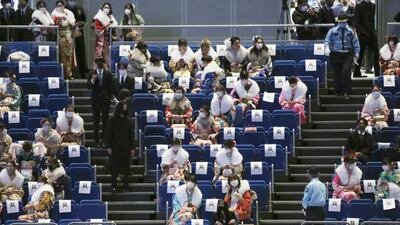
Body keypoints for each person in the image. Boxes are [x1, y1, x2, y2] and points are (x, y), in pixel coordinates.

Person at [324, 14, 360, 100]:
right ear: (338, 22)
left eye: (343, 22)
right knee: (337, 73)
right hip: (335, 54)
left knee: (346, 71)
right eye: (340, 22)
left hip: (347, 54)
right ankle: (338, 91)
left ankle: (346, 92)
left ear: (346, 21)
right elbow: (327, 41)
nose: (342, 23)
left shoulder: (351, 31)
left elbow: (356, 42)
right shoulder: (332, 31)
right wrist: (327, 47)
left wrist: (357, 54)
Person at [105, 100, 134, 192]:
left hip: (126, 147)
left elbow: (131, 135)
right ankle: (114, 185)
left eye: (126, 106)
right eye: (123, 106)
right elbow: (108, 134)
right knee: (114, 167)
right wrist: (108, 146)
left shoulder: (128, 121)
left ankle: (126, 184)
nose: (125, 108)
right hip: (115, 147)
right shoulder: (112, 120)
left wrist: (132, 148)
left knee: (126, 167)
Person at [88, 57, 113, 147]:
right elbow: (89, 86)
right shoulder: (92, 74)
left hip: (105, 100)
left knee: (105, 122)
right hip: (95, 100)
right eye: (98, 62)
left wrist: (109, 98)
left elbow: (111, 88)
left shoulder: (108, 74)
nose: (100, 64)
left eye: (101, 62)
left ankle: (104, 141)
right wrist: (93, 80)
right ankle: (96, 141)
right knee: (96, 121)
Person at [353, 0, 380, 77]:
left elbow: (372, 20)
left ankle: (377, 73)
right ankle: (356, 72)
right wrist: (364, 32)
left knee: (376, 53)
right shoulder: (359, 6)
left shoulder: (373, 5)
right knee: (360, 54)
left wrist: (373, 31)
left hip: (372, 33)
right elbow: (356, 22)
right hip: (362, 34)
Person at [52, 0, 76, 80]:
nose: (60, 7)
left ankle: (69, 74)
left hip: (69, 37)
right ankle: (62, 74)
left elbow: (72, 25)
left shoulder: (69, 13)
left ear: (64, 6)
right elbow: (54, 26)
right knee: (62, 57)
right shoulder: (54, 14)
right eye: (58, 6)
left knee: (69, 56)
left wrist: (73, 24)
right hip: (61, 37)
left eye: (61, 5)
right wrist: (60, 19)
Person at [66, 0, 88, 78]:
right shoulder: (65, 9)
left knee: (80, 53)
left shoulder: (79, 8)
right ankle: (69, 73)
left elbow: (84, 20)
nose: (72, 1)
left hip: (78, 34)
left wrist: (79, 24)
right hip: (68, 35)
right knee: (69, 53)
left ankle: (83, 72)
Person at [93, 2, 118, 69]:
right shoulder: (99, 16)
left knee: (107, 55)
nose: (106, 9)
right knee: (98, 55)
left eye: (108, 8)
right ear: (102, 8)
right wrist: (106, 25)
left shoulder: (111, 17)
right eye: (105, 7)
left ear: (110, 9)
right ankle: (96, 71)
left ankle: (108, 70)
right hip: (100, 41)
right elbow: (97, 29)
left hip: (108, 40)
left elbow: (114, 26)